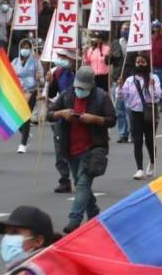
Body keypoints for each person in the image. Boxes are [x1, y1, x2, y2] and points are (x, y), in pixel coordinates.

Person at [47, 66, 116, 234]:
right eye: (77, 87)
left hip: (92, 148)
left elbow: (112, 120)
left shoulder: (102, 97)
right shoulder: (67, 95)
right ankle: (93, 212)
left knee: (83, 184)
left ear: (91, 86)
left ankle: (74, 221)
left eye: (83, 88)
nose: (79, 91)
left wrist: (95, 119)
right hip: (70, 148)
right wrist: (61, 114)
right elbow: (49, 114)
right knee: (80, 184)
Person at [118, 53, 162, 180]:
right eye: (138, 62)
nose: (140, 64)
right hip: (135, 112)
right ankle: (139, 169)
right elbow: (122, 97)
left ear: (147, 63)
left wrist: (152, 86)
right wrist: (120, 87)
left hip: (149, 112)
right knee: (137, 140)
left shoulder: (154, 78)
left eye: (143, 62)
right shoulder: (129, 80)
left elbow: (158, 96)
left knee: (149, 140)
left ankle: (152, 163)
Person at [46, 50, 78, 194]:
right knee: (60, 149)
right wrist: (50, 83)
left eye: (63, 57)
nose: (59, 59)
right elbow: (53, 93)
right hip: (61, 114)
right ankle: (64, 179)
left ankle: (80, 179)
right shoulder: (57, 72)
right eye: (59, 56)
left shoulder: (79, 72)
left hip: (77, 115)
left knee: (77, 149)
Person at [12, 38, 42, 154]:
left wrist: (40, 79)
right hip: (17, 91)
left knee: (25, 116)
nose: (25, 50)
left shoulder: (35, 62)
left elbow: (42, 80)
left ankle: (23, 144)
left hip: (30, 91)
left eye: (27, 47)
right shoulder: (14, 61)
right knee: (15, 117)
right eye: (23, 47)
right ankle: (26, 134)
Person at [109, 22, 135, 143]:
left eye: (128, 29)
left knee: (129, 107)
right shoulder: (115, 43)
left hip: (130, 80)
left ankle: (133, 132)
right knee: (119, 109)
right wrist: (108, 56)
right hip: (117, 80)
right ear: (120, 30)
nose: (126, 31)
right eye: (124, 29)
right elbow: (109, 61)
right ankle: (122, 133)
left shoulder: (135, 44)